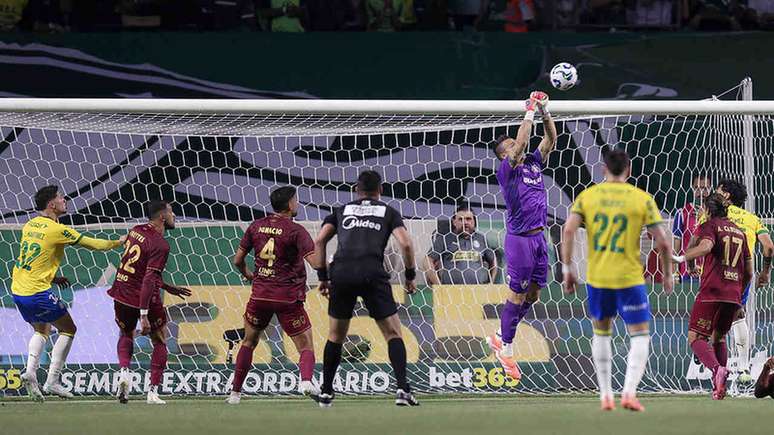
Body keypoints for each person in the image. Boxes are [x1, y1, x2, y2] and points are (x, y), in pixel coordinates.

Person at [561, 149, 674, 412]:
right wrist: (668, 274)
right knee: (640, 335)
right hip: (629, 278)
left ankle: (605, 396)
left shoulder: (588, 196)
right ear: (629, 170)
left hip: (598, 277)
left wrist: (567, 269)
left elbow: (568, 229)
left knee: (601, 332)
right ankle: (630, 393)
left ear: (604, 170)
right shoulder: (641, 198)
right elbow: (664, 242)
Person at [314, 170, 419, 407]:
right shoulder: (388, 212)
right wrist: (409, 275)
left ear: (356, 190)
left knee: (335, 335)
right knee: (393, 333)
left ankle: (327, 392)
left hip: (341, 273)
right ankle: (402, 390)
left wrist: (323, 277)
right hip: (372, 272)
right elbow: (406, 243)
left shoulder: (341, 211)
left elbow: (319, 241)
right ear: (380, 190)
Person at [13, 185, 125, 401]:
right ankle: (52, 381)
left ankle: (30, 371)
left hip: (19, 289)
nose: (65, 200)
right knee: (69, 328)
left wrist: (53, 278)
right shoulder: (57, 230)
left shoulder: (29, 225)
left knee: (42, 329)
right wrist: (118, 242)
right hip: (37, 291)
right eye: (61, 198)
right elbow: (94, 245)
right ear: (51, 204)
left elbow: (31, 259)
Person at [226, 186, 323, 404]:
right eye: (296, 200)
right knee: (305, 345)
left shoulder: (256, 226)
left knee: (249, 342)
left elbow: (237, 260)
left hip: (260, 295)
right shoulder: (296, 231)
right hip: (287, 298)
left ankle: (235, 394)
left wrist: (249, 274)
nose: (297, 203)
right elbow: (316, 263)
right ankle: (306, 381)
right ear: (289, 204)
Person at [486, 90, 556, 382]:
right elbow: (522, 143)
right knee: (516, 294)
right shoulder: (508, 170)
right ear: (505, 155)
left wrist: (544, 112)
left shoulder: (534, 164)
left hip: (540, 238)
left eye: (515, 141)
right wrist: (529, 110)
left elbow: (551, 139)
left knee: (535, 294)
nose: (518, 145)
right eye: (512, 145)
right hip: (519, 240)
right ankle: (507, 349)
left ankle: (501, 334)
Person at [108, 200, 191, 405]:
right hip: (144, 297)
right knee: (160, 340)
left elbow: (140, 270)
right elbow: (147, 280)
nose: (174, 216)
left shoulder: (135, 230)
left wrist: (168, 287)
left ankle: (125, 371)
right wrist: (144, 314)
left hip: (121, 292)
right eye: (171, 212)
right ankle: (153, 392)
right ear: (162, 217)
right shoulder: (161, 244)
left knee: (126, 333)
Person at [673, 193, 752, 400]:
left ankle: (718, 369)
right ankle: (719, 387)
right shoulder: (739, 231)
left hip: (712, 291)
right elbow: (750, 271)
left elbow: (705, 247)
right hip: (734, 293)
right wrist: (739, 294)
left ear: (708, 210)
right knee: (719, 336)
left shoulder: (709, 225)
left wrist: (682, 258)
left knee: (695, 337)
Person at [695, 179, 773, 383]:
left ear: (726, 195)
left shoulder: (711, 214)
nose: (715, 192)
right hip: (738, 276)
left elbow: (701, 240)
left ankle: (707, 357)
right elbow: (769, 247)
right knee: (737, 315)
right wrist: (765, 272)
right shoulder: (753, 219)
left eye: (719, 190)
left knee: (703, 326)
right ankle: (744, 368)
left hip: (712, 274)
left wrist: (692, 261)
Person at [425, 205, 497, 286]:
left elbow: (493, 261)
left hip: (478, 292)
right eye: (460, 219)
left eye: (468, 219)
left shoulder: (481, 239)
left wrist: (491, 283)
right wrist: (438, 285)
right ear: (454, 222)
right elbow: (427, 260)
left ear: (474, 222)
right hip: (452, 292)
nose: (465, 222)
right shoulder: (445, 238)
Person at [672, 174, 711, 280]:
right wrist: (675, 272)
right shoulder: (682, 213)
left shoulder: (715, 214)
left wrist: (705, 218)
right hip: (687, 273)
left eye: (705, 188)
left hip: (710, 272)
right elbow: (676, 246)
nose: (701, 193)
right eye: (697, 188)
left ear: (710, 188)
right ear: (692, 189)